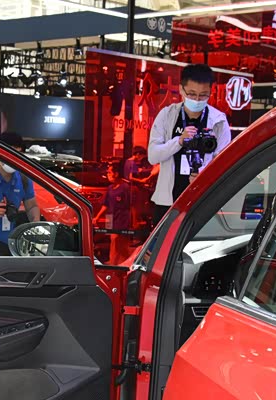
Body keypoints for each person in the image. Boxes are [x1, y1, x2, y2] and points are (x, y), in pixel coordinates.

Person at [148, 64, 231, 225]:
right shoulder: (167, 115)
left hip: (202, 200)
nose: (197, 100)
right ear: (181, 89)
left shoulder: (218, 121)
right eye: (192, 94)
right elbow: (153, 156)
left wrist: (203, 176)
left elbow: (224, 164)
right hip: (168, 201)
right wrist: (179, 141)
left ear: (210, 92)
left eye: (203, 95)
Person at [94, 160, 134, 265]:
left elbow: (131, 206)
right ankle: (114, 261)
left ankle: (119, 263)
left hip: (121, 219)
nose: (108, 175)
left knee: (119, 241)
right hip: (110, 218)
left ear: (116, 174)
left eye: (109, 172)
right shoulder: (110, 188)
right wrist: (97, 217)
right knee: (113, 241)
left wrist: (133, 221)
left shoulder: (125, 188)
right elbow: (106, 204)